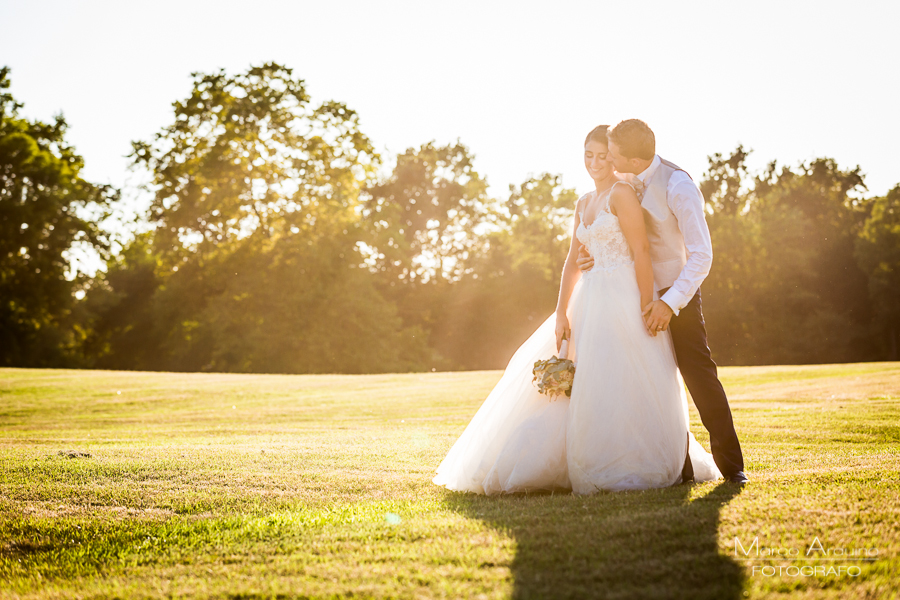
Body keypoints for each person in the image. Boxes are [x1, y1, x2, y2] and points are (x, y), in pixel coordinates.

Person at [432, 125, 722, 495]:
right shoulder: (584, 202)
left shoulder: (624, 194)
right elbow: (572, 260)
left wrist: (647, 303)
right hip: (590, 298)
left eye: (604, 155)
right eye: (589, 155)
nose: (597, 163)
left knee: (625, 378)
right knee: (584, 378)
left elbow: (641, 252)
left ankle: (628, 456)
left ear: (617, 159)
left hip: (623, 296)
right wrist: (561, 312)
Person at [577, 119, 747, 485]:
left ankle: (733, 468)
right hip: (628, 294)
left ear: (633, 161)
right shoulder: (621, 183)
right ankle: (673, 466)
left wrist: (669, 304)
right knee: (646, 381)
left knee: (697, 375)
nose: (607, 161)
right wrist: (591, 257)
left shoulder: (678, 186)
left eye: (613, 155)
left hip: (674, 294)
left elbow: (701, 255)